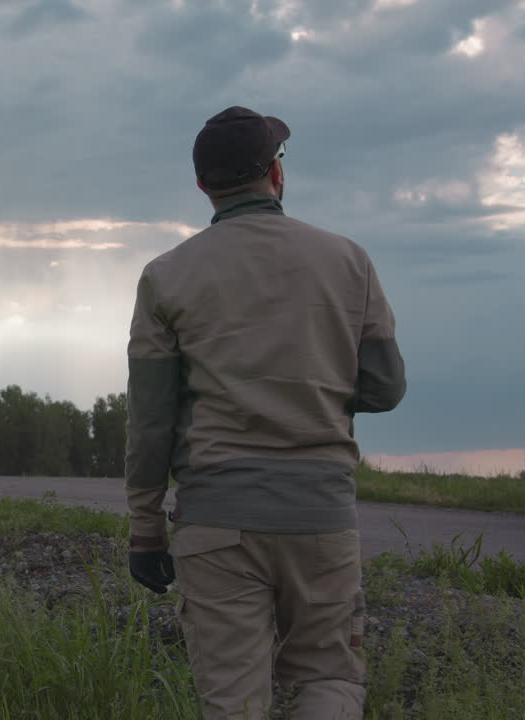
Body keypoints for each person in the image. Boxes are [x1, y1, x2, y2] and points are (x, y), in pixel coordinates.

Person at [124, 107, 406, 720]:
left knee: (232, 701)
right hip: (321, 516)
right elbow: (384, 388)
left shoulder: (165, 277)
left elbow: (151, 419)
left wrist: (146, 527)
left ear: (204, 185)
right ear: (275, 174)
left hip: (216, 525)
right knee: (330, 676)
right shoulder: (349, 261)